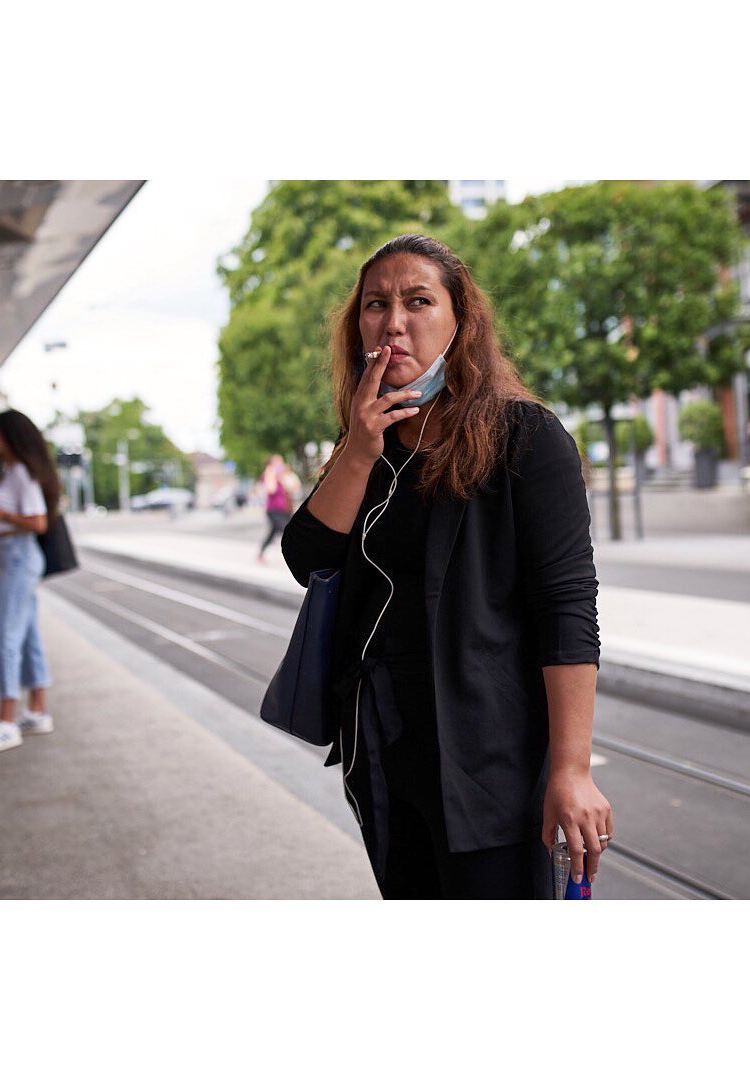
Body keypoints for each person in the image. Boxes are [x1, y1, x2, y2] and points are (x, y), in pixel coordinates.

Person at [280, 234, 612, 899]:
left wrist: (571, 770)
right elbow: (306, 558)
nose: (394, 321)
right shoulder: (366, 447)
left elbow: (566, 609)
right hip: (384, 759)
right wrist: (357, 450)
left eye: (418, 301)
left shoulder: (526, 437)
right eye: (376, 304)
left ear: (461, 323)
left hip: (490, 767)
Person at [0, 410, 61, 754]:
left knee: (5, 639)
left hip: (19, 559)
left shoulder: (22, 473)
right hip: (12, 559)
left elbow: (38, 521)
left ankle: (6, 722)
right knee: (26, 637)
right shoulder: (10, 473)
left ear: (10, 436)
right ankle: (37, 710)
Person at [256, 454, 299, 563]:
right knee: (287, 532)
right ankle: (297, 558)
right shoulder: (269, 474)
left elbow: (294, 487)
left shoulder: (283, 475)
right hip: (274, 510)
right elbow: (271, 489)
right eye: (277, 463)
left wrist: (284, 476)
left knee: (273, 532)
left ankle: (260, 553)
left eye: (281, 462)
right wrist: (272, 474)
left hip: (285, 509)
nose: (280, 465)